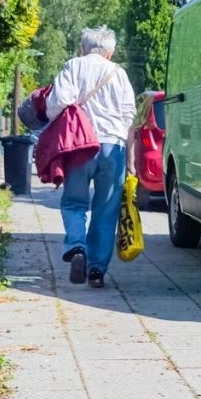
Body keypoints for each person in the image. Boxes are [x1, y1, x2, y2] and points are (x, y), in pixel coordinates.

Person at [45, 26, 137, 288]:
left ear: (83, 48)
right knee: (106, 210)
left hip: (80, 146)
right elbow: (130, 116)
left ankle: (77, 246)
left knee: (74, 203)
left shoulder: (73, 66)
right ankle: (96, 269)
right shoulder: (119, 73)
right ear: (110, 52)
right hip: (113, 147)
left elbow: (58, 102)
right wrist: (131, 160)